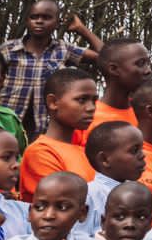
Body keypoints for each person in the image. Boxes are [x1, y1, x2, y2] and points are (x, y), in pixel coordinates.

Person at [0, 0, 103, 138]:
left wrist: (81, 28)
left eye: (46, 17)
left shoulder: (62, 49)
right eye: (34, 17)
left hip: (42, 129)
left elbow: (107, 56)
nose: (39, 21)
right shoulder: (8, 49)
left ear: (57, 22)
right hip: (5, 125)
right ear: (27, 21)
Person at [19, 69, 98, 199]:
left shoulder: (85, 149)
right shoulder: (41, 152)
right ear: (53, 102)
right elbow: (61, 204)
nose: (91, 108)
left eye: (94, 100)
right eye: (82, 100)